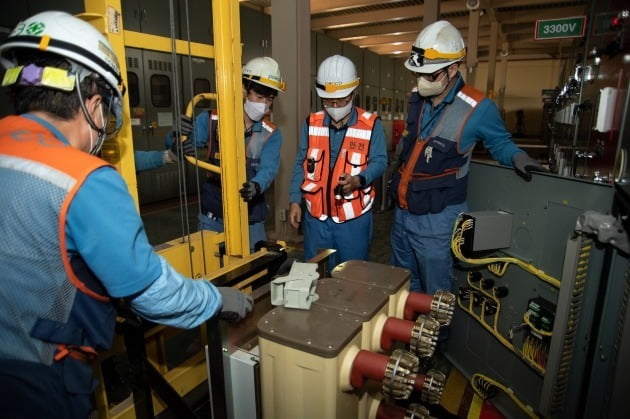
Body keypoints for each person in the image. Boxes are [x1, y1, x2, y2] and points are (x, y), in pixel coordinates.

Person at [0, 11, 253, 418]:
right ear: (92, 101)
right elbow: (149, 290)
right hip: (38, 380)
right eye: (106, 113)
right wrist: (213, 298)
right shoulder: (84, 179)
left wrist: (169, 153)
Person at [390, 20, 546, 294]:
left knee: (436, 294)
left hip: (436, 219)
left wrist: (518, 156)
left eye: (429, 75)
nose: (421, 81)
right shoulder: (418, 97)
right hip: (403, 213)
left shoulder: (478, 108)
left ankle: (438, 337)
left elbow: (500, 143)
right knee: (403, 287)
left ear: (453, 69)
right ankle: (411, 335)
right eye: (418, 74)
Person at [166, 57, 286, 252]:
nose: (264, 105)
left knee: (254, 273)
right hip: (212, 218)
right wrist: (178, 134)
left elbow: (269, 169)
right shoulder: (212, 119)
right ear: (243, 90)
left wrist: (256, 185)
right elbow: (183, 146)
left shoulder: (271, 133)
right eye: (259, 96)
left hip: (250, 222)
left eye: (270, 99)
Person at [288, 54, 388, 267]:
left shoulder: (370, 124)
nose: (334, 104)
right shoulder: (311, 122)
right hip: (316, 222)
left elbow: (380, 161)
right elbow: (301, 163)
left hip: (353, 223)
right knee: (315, 278)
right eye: (328, 100)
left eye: (341, 99)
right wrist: (294, 200)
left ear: (354, 94)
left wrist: (359, 180)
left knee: (352, 280)